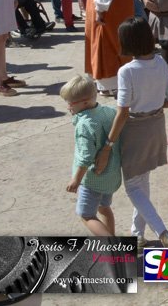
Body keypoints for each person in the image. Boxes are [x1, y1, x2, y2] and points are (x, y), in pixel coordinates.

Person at [94, 18, 168, 248]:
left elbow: (122, 112)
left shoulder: (127, 71)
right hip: (156, 126)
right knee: (143, 182)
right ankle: (137, 234)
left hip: (135, 131)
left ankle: (162, 231)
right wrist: (154, 105)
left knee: (133, 186)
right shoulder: (160, 62)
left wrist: (108, 145)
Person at [60, 74, 122, 235]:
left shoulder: (84, 125)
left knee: (86, 215)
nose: (68, 107)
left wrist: (76, 180)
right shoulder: (108, 112)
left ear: (85, 102)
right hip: (111, 174)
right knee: (104, 208)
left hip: (92, 179)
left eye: (70, 103)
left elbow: (85, 157)